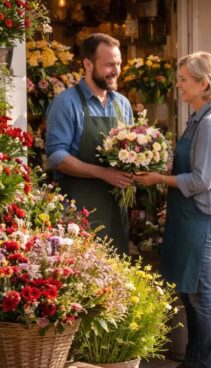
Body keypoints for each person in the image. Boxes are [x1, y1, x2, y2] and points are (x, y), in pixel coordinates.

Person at [133, 52, 211, 368]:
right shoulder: (197, 118)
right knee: (188, 291)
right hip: (190, 216)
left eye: (183, 80)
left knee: (201, 293)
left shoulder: (210, 123)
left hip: (202, 217)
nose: (178, 85)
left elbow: (203, 180)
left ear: (204, 84)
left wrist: (160, 180)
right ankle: (193, 361)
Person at [45, 33, 134, 254]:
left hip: (116, 209)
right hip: (79, 210)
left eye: (119, 64)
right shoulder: (66, 103)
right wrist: (103, 173)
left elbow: (132, 151)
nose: (116, 71)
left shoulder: (122, 104)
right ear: (88, 64)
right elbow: (57, 156)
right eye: (109, 64)